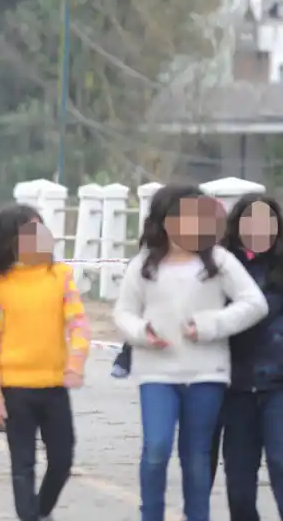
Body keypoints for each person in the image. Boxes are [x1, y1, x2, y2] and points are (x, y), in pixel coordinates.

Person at [113, 184, 267, 521]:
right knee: (156, 448)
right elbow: (123, 313)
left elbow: (255, 304)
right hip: (156, 373)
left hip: (206, 373)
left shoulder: (219, 261)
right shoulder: (144, 264)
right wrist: (142, 331)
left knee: (196, 456)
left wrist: (210, 325)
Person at [0, 204, 90, 521]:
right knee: (22, 464)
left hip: (54, 386)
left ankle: (40, 511)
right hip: (15, 390)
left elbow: (78, 324)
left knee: (62, 460)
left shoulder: (60, 276)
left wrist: (76, 363)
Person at [208, 193, 283, 519]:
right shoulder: (220, 270)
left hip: (278, 386)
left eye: (267, 222)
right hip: (235, 389)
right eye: (251, 222)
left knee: (281, 463)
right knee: (239, 483)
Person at [111, 196, 230, 380]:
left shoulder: (222, 253)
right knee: (148, 314)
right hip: (161, 289)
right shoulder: (155, 249)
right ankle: (125, 357)